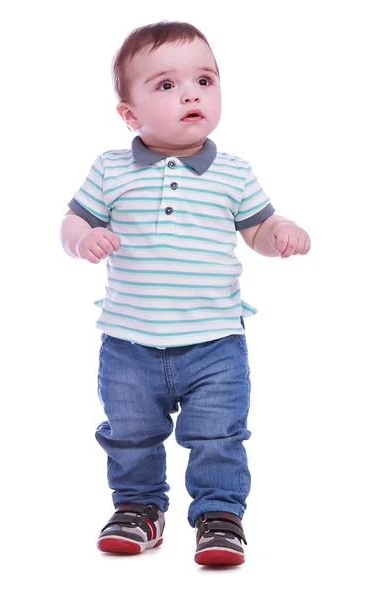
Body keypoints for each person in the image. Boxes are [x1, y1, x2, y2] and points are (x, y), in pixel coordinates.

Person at [60, 20, 311, 567]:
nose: (191, 93)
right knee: (129, 434)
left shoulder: (234, 174)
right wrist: (83, 241)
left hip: (214, 343)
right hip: (128, 342)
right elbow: (71, 222)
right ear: (130, 115)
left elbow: (258, 231)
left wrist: (279, 235)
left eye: (205, 79)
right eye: (166, 85)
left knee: (219, 435)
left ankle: (221, 516)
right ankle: (138, 509)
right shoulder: (110, 169)